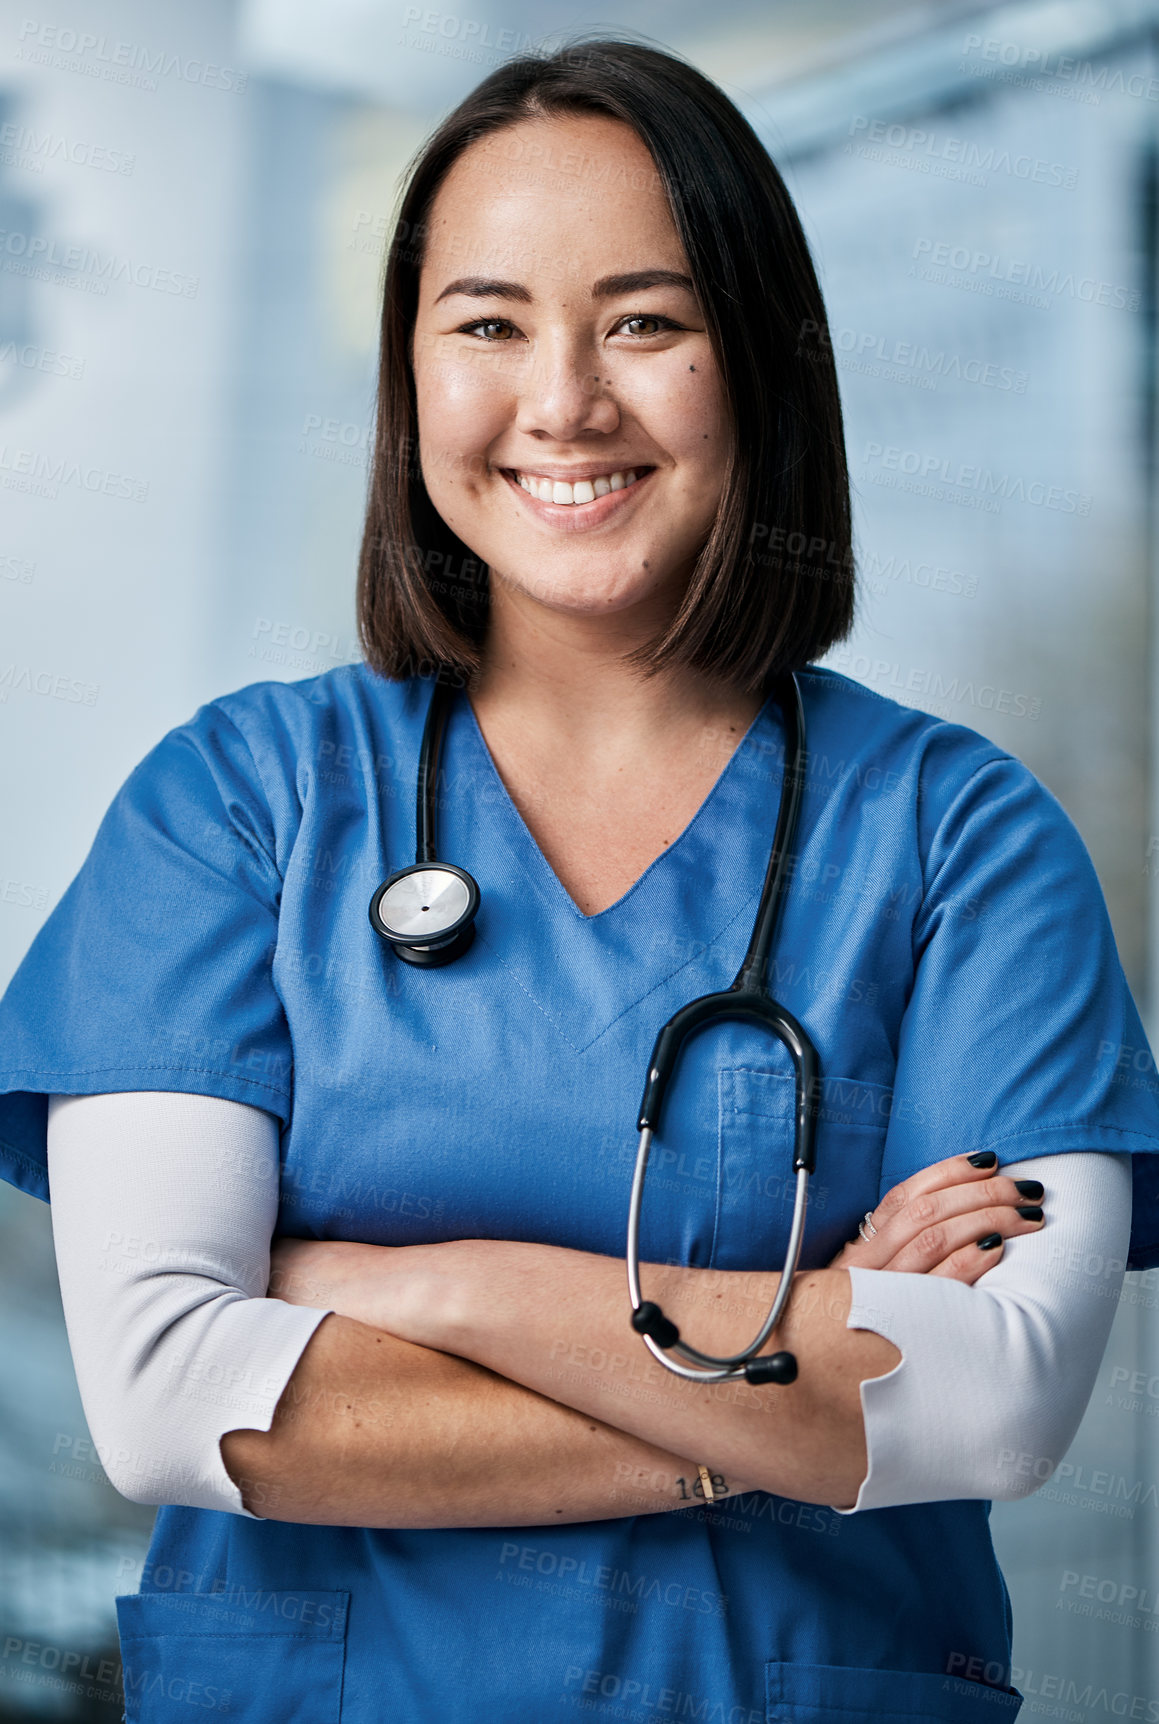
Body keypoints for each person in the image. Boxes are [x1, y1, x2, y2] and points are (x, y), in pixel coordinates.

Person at [1, 36, 1157, 1724]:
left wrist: (409, 1291)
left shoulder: (959, 840)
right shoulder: (237, 811)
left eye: (646, 322)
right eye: (487, 323)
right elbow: (175, 1395)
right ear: (411, 379)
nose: (563, 403)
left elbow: (990, 1408)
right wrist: (799, 1368)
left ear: (756, 364)